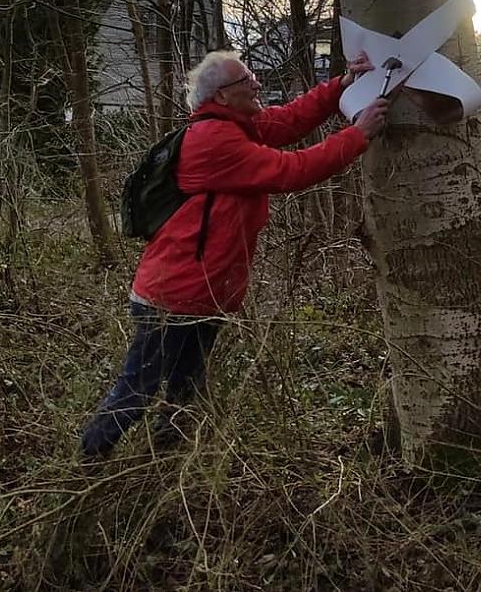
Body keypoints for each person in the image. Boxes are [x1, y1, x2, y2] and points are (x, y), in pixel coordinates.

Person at [81, 50, 388, 457]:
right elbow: (289, 170)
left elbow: (289, 119)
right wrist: (358, 135)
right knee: (138, 388)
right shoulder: (214, 140)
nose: (256, 83)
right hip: (173, 296)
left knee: (185, 392)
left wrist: (341, 87)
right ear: (222, 97)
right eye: (246, 80)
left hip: (197, 295)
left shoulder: (236, 125)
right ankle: (89, 462)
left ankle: (167, 464)